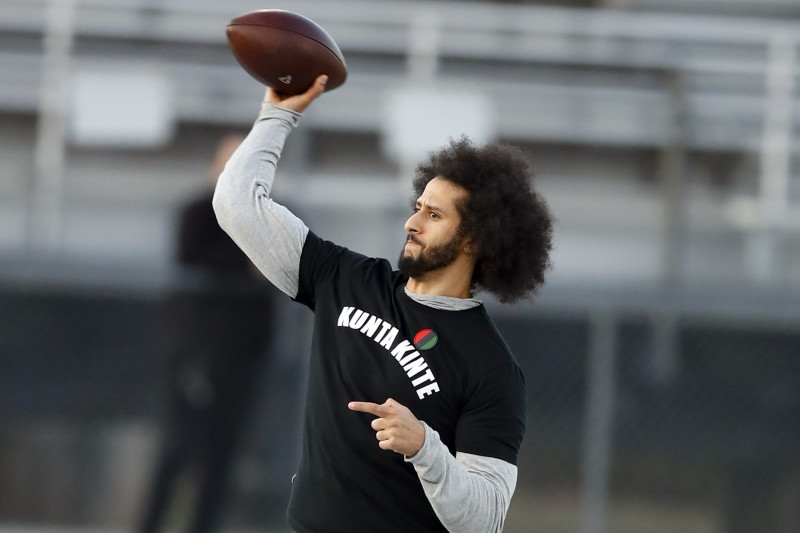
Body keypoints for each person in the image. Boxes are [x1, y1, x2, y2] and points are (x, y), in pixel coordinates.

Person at [212, 76, 554, 533]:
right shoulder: (344, 279)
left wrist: (424, 448)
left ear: (476, 238)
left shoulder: (491, 368)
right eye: (418, 206)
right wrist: (277, 115)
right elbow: (236, 204)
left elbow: (484, 520)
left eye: (434, 215)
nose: (412, 222)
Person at [140, 135, 278, 533]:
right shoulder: (198, 212)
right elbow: (194, 258)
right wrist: (247, 260)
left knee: (224, 455)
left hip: (244, 355)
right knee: (178, 449)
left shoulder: (272, 217)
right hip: (195, 353)